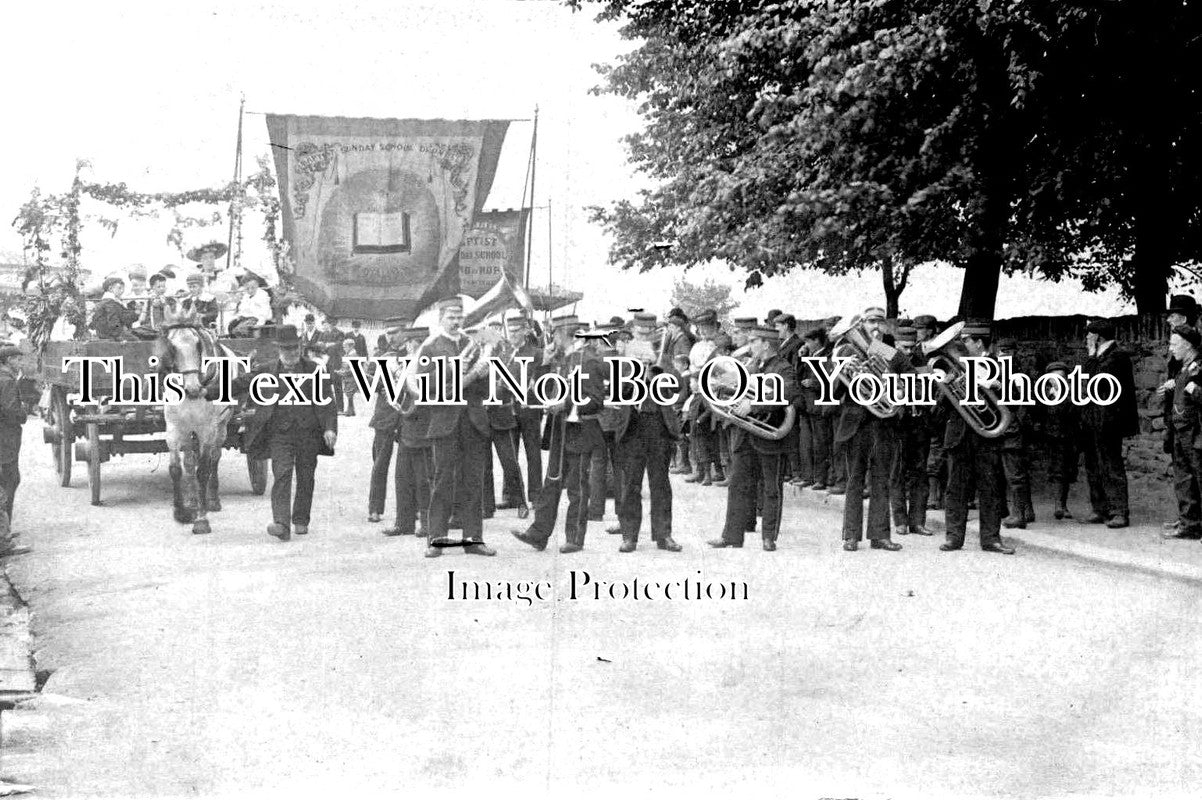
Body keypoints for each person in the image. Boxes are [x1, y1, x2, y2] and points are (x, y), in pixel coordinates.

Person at [229, 325, 338, 541]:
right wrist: (206, 390)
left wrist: (329, 428)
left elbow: (327, 401)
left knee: (306, 477)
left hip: (308, 433)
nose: (292, 353)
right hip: (280, 434)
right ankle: (281, 523)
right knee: (282, 475)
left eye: (295, 348)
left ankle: (300, 519)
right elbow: (240, 383)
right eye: (287, 349)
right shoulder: (267, 370)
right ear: (279, 349)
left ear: (300, 347)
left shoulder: (314, 370)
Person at [511, 318, 605, 554]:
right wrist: (544, 365)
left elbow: (596, 401)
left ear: (565, 336)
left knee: (577, 489)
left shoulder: (590, 361)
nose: (553, 341)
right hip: (559, 430)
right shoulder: (563, 359)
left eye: (555, 336)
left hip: (580, 431)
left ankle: (574, 538)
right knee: (550, 483)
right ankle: (538, 534)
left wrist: (565, 403)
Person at [708, 325, 799, 551]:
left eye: (753, 341)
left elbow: (788, 395)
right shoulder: (751, 366)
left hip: (770, 435)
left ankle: (769, 536)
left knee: (771, 488)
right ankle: (731, 536)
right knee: (737, 485)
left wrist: (753, 404)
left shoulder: (784, 368)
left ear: (766, 343)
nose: (749, 346)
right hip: (745, 435)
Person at [420, 297, 496, 558]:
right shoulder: (430, 346)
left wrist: (482, 374)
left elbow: (485, 389)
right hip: (444, 420)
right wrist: (451, 369)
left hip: (472, 419)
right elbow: (424, 384)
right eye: (451, 317)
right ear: (441, 318)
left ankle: (473, 538)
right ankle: (436, 538)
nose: (456, 322)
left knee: (474, 480)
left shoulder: (471, 343)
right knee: (442, 480)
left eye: (459, 317)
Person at [941, 319, 1014, 554]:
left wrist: (996, 384)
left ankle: (991, 539)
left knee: (990, 488)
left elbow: (1015, 395)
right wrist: (947, 385)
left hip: (987, 437)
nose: (961, 346)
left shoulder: (999, 365)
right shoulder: (955, 367)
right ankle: (954, 538)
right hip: (960, 435)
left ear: (979, 342)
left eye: (966, 341)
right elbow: (942, 406)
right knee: (956, 489)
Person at [836, 307, 906, 552]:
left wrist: (898, 390)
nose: (875, 326)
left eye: (879, 322)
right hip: (856, 424)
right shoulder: (846, 351)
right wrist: (843, 371)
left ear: (885, 326)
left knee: (881, 480)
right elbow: (832, 390)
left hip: (883, 423)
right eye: (870, 322)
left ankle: (880, 535)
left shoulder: (890, 352)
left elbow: (911, 380)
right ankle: (851, 535)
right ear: (861, 325)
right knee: (855, 479)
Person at [614, 340, 683, 552]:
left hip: (658, 428)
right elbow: (619, 391)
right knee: (631, 484)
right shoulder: (625, 366)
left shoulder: (663, 362)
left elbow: (679, 385)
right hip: (634, 428)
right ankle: (629, 537)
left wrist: (660, 369)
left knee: (660, 484)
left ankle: (664, 535)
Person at [1079, 319, 1138, 529]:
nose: (1086, 338)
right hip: (1093, 419)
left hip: (1109, 420)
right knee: (1094, 464)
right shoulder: (1097, 356)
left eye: (1089, 335)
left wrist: (1092, 355)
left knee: (1111, 465)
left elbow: (1098, 379)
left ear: (1098, 336)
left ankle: (1119, 511)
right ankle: (1100, 508)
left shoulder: (1116, 356)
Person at [888, 323, 934, 536]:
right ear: (896, 344)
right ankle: (900, 520)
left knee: (920, 473)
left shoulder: (922, 362)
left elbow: (929, 389)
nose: (908, 352)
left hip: (920, 423)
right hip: (899, 424)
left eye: (911, 347)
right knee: (897, 472)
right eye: (903, 348)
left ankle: (917, 521)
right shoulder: (888, 363)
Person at [1161, 326, 1202, 540]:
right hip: (1180, 431)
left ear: (1187, 346)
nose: (1171, 348)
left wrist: (1195, 390)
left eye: (1174, 344)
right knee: (1184, 480)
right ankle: (1189, 523)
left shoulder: (1199, 367)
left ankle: (1193, 524)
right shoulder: (1184, 367)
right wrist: (1175, 384)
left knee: (1197, 478)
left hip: (1195, 432)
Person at [505, 315, 546, 509]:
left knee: (533, 453)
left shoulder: (536, 353)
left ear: (524, 331)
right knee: (509, 455)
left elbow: (542, 378)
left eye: (516, 330)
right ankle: (513, 496)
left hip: (528, 409)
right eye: (510, 330)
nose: (512, 334)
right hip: (508, 409)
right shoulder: (503, 353)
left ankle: (536, 495)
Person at [996, 338, 1035, 529]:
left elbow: (1024, 404)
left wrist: (1014, 423)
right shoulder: (1006, 373)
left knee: (1015, 473)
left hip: (1013, 429)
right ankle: (1026, 511)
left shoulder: (1018, 375)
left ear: (1013, 354)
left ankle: (1018, 515)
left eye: (1006, 352)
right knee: (1016, 471)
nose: (1003, 356)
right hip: (1009, 428)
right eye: (1001, 352)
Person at [681, 309, 721, 484]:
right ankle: (700, 469)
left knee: (712, 434)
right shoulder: (696, 346)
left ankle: (716, 471)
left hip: (713, 391)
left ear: (715, 327)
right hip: (697, 391)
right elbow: (691, 367)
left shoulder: (718, 346)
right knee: (695, 432)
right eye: (701, 328)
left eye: (707, 327)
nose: (704, 331)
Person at [1040, 361, 1080, 520]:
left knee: (1067, 471)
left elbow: (1075, 413)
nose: (1057, 381)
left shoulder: (1071, 395)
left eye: (1062, 378)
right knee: (1056, 471)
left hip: (1068, 437)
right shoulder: (1045, 394)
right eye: (1053, 378)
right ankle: (1059, 506)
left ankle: (1063, 505)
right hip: (1051, 437)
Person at [0, 347, 26, 540]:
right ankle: (4, 533)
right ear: (8, 360)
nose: (20, 363)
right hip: (6, 435)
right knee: (10, 479)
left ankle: (5, 529)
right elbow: (10, 410)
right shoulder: (7, 381)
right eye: (17, 359)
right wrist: (23, 415)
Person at [89, 275, 139, 340]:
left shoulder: (111, 302)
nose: (122, 291)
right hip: (110, 337)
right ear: (110, 289)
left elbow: (123, 317)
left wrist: (136, 313)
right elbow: (113, 322)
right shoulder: (109, 303)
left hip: (107, 335)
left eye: (123, 288)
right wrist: (120, 336)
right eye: (119, 288)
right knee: (138, 340)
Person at [227, 272, 273, 337]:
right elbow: (242, 309)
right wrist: (238, 317)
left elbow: (265, 312)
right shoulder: (246, 296)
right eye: (247, 288)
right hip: (245, 319)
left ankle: (242, 342)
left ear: (257, 285)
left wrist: (259, 324)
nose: (250, 290)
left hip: (256, 319)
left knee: (240, 330)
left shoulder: (262, 295)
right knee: (231, 326)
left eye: (253, 288)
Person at [318, 318, 347, 414]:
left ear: (331, 324)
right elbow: (319, 345)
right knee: (324, 384)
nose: (325, 325)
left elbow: (340, 344)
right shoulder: (323, 334)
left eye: (326, 323)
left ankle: (340, 408)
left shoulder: (339, 333)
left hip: (336, 361)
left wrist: (328, 344)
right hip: (325, 361)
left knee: (337, 384)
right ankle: (327, 407)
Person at [133, 272, 172, 337]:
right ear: (152, 287)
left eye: (163, 286)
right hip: (151, 325)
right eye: (159, 287)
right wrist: (139, 321)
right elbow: (144, 311)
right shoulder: (150, 298)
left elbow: (168, 313)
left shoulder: (166, 299)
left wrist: (164, 303)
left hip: (163, 324)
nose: (162, 289)